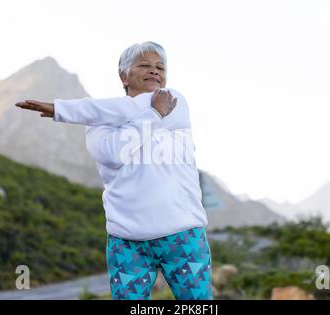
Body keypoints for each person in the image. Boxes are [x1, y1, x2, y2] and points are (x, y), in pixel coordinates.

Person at [15, 41, 213, 300]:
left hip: (183, 235)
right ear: (123, 75)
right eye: (144, 65)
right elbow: (116, 152)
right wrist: (153, 116)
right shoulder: (99, 123)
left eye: (160, 67)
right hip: (127, 241)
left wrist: (65, 110)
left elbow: (125, 110)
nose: (154, 71)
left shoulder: (174, 102)